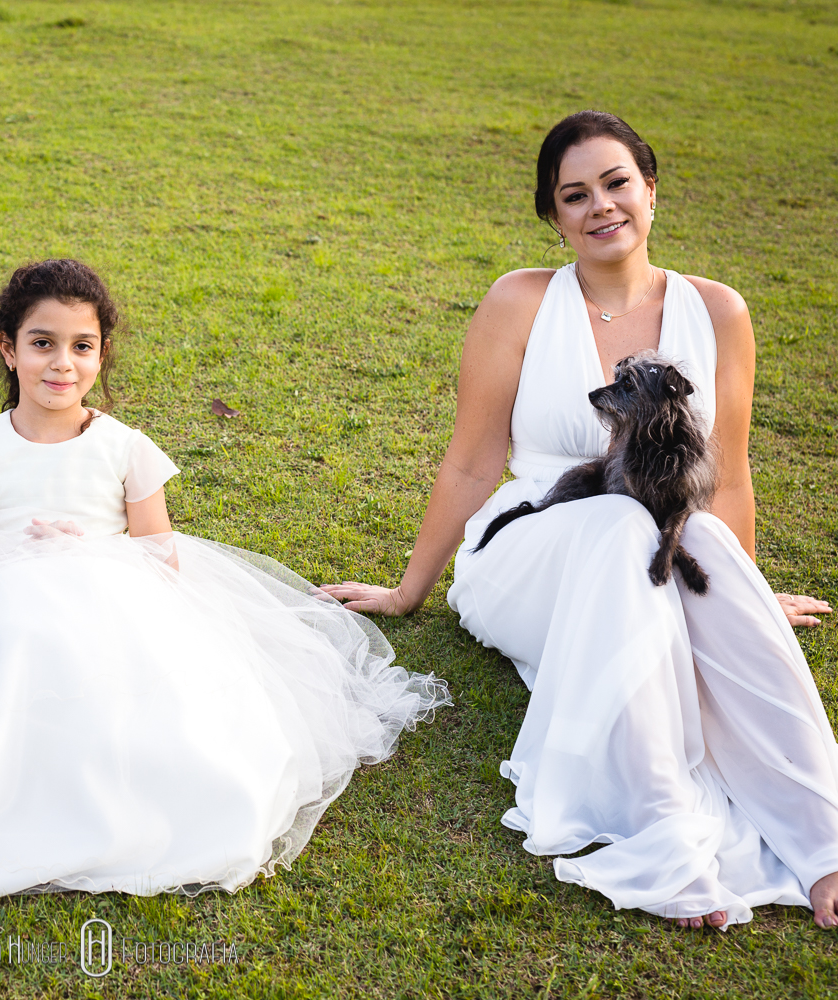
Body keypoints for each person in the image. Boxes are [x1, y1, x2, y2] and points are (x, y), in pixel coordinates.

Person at [0, 259, 450, 896]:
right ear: (9, 349)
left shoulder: (125, 449)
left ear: (102, 354)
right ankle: (8, 780)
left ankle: (115, 781)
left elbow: (161, 559)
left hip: (110, 591)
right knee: (21, 624)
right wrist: (18, 553)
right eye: (42, 343)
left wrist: (85, 554)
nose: (62, 364)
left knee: (102, 634)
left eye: (82, 347)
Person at [322, 110, 838, 930]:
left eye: (616, 182)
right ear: (554, 217)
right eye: (574, 195)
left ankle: (824, 839)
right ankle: (662, 831)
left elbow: (728, 474)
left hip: (664, 547)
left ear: (651, 190)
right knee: (622, 524)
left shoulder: (719, 310)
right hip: (530, 546)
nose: (600, 205)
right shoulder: (520, 301)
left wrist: (741, 592)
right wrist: (408, 590)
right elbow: (471, 462)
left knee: (692, 535)